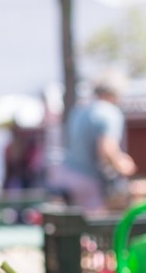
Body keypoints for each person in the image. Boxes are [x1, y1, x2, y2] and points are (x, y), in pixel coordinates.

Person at [52, 74, 137, 211]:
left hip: (66, 174)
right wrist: (124, 164)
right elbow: (107, 149)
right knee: (96, 225)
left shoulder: (79, 110)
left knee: (74, 225)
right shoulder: (109, 113)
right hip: (88, 180)